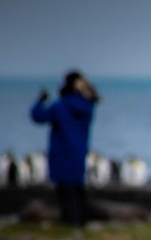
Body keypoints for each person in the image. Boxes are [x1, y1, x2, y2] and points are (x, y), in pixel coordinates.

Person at [30, 70, 99, 226]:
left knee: (65, 191)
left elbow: (38, 117)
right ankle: (81, 221)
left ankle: (69, 222)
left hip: (61, 152)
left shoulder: (60, 106)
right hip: (79, 151)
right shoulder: (87, 105)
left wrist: (39, 101)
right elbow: (94, 97)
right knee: (78, 189)